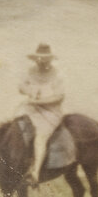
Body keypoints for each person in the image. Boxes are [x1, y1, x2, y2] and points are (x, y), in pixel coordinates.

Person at [18, 44, 65, 185]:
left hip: (51, 112)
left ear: (50, 60)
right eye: (40, 59)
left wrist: (40, 101)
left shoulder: (58, 74)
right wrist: (29, 91)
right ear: (36, 59)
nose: (42, 62)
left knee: (40, 136)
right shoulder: (31, 71)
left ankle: (35, 173)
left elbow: (59, 97)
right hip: (31, 109)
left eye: (45, 59)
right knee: (14, 128)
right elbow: (21, 87)